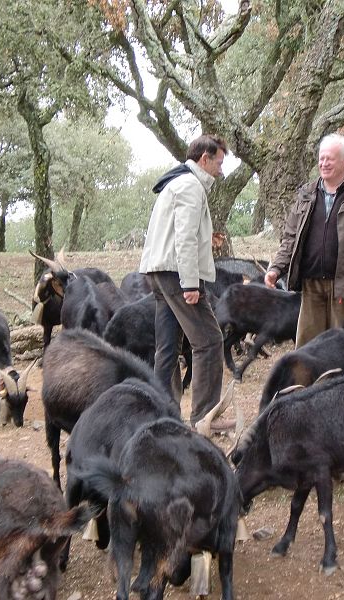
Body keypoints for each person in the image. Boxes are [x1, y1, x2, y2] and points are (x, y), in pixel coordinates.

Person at [265, 133, 344, 347]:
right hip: (311, 283)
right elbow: (290, 237)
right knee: (307, 346)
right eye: (321, 158)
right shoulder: (306, 195)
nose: (324, 163)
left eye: (330, 159)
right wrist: (276, 268)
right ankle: (309, 383)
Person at [139, 134, 230, 429]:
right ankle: (204, 417)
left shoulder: (175, 182)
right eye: (219, 162)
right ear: (204, 158)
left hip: (159, 271)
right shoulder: (191, 186)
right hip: (178, 274)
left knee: (167, 348)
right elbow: (185, 239)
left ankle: (162, 415)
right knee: (209, 340)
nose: (221, 169)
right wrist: (191, 283)